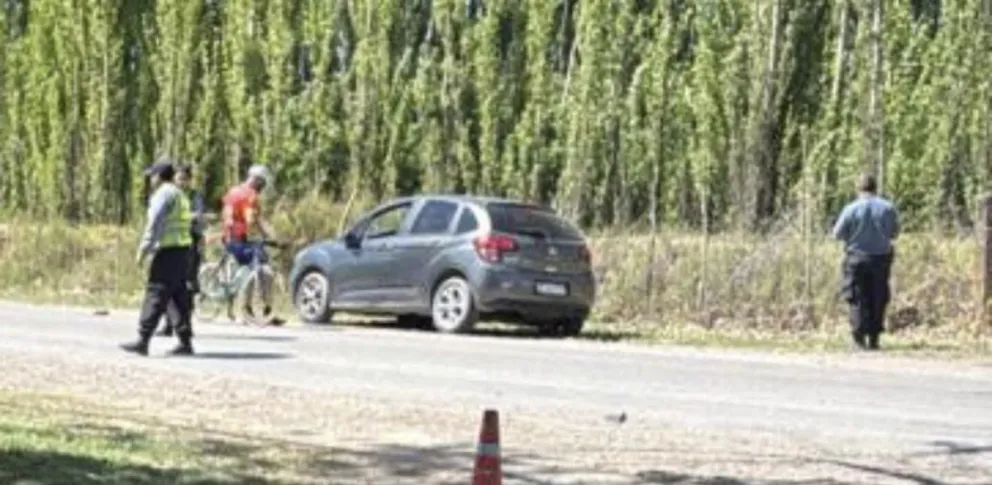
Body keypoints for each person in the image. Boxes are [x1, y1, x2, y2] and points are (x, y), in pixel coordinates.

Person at [120, 158, 196, 356]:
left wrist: (143, 250)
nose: (150, 179)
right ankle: (185, 340)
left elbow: (154, 225)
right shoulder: (180, 194)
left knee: (156, 292)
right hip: (183, 250)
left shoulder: (162, 195)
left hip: (168, 251)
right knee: (177, 296)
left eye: (152, 176)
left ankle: (142, 340)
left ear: (158, 177)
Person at [832, 172, 899, 351]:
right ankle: (875, 338)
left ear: (858, 188)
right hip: (881, 258)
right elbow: (894, 233)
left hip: (856, 257)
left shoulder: (851, 209)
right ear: (875, 187)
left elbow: (837, 233)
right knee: (878, 296)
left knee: (856, 296)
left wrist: (852, 235)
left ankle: (858, 338)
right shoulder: (888, 208)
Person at [221, 164, 279, 322]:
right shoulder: (250, 195)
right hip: (238, 240)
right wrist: (267, 236)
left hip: (228, 237)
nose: (263, 187)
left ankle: (239, 308)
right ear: (257, 180)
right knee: (261, 265)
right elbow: (251, 220)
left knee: (246, 268)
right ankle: (258, 310)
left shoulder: (233, 191)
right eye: (263, 183)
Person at [158, 162, 205, 337]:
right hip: (171, 243)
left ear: (189, 180)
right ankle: (168, 323)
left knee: (188, 284)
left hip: (189, 242)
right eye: (178, 179)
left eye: (184, 179)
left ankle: (186, 323)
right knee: (168, 284)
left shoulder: (194, 195)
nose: (181, 182)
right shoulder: (169, 195)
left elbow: (197, 216)